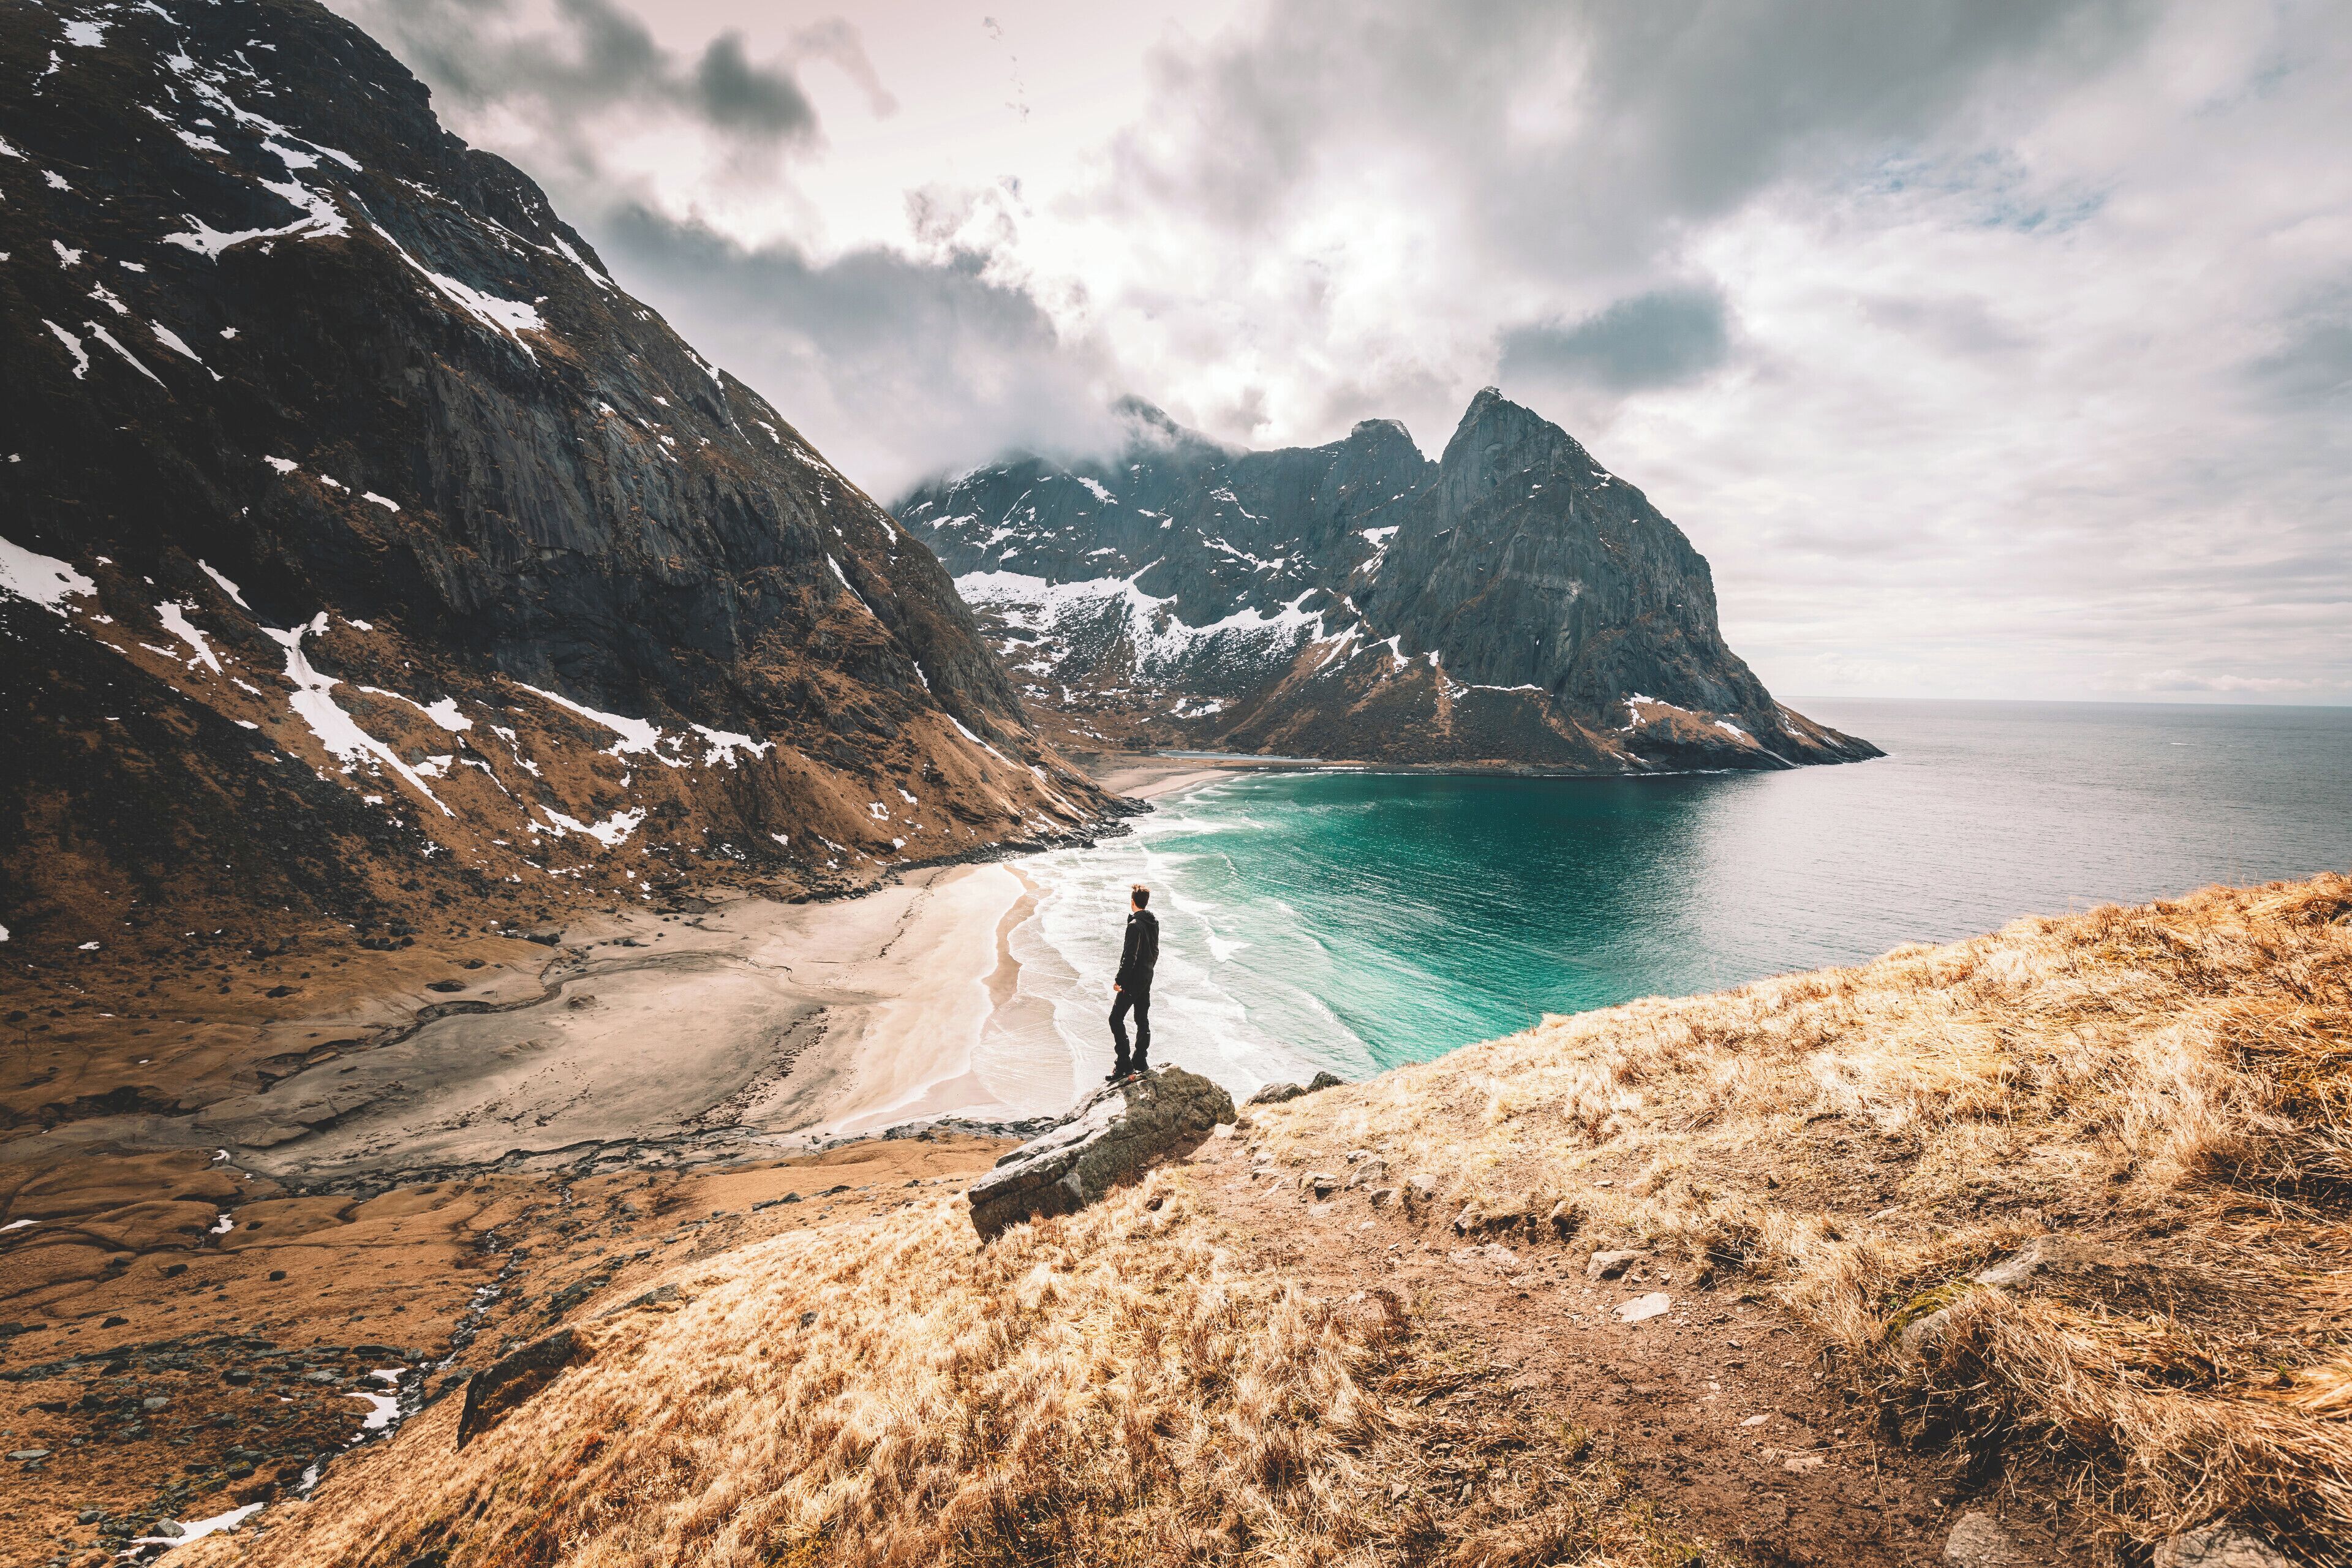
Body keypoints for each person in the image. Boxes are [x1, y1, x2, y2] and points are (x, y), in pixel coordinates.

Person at [1108, 883, 1159, 1081]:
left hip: (1132, 982)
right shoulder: (1153, 923)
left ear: (1132, 902)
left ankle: (1124, 1064)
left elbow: (1129, 957)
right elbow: (1155, 951)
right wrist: (1149, 971)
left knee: (1115, 1019)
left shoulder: (1134, 926)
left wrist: (1119, 981)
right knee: (1142, 1019)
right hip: (1146, 979)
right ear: (1145, 903)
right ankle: (1140, 1060)